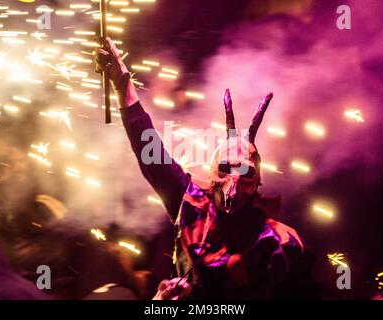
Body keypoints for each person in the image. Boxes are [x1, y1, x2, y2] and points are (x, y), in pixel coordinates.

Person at [96, 38, 317, 299]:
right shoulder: (190, 202)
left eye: (244, 173)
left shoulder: (277, 243)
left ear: (258, 181)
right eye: (226, 169)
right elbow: (151, 154)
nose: (232, 186)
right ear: (212, 171)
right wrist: (123, 85)